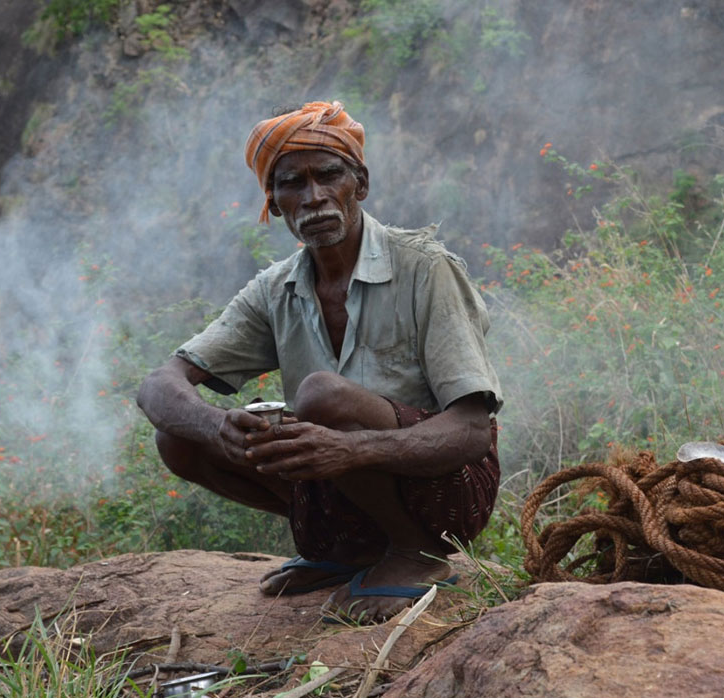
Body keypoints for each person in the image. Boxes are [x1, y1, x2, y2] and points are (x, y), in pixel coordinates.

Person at [136, 101, 502, 623]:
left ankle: (415, 554)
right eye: (292, 184)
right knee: (178, 435)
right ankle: (347, 551)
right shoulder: (275, 289)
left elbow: (471, 433)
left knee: (320, 396)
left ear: (361, 183)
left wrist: (351, 449)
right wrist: (216, 426)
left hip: (445, 494)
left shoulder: (425, 268)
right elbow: (159, 384)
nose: (314, 197)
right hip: (341, 490)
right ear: (275, 202)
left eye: (329, 175)